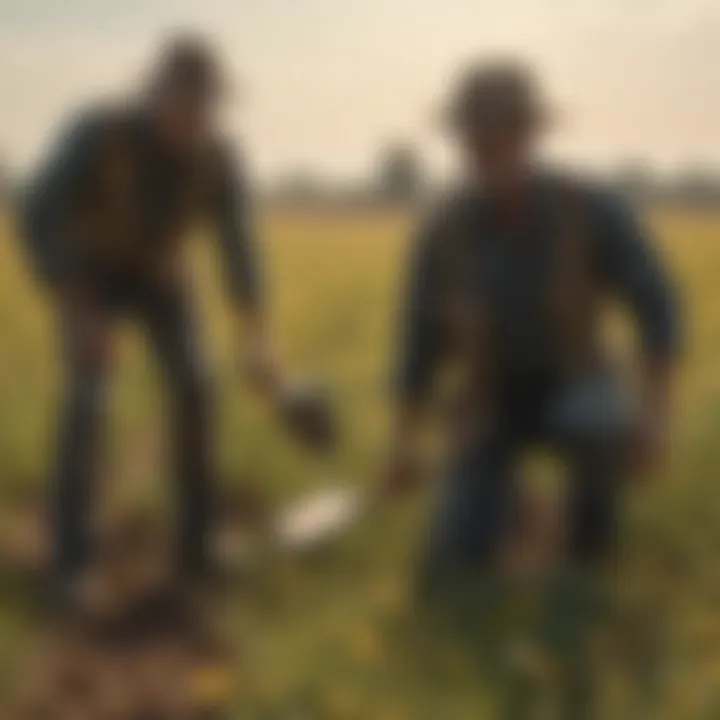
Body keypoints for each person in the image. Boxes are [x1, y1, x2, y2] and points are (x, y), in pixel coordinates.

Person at [22, 35, 322, 601]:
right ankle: (71, 561)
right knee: (89, 397)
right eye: (182, 105)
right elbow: (37, 213)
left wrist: (258, 343)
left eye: (205, 109)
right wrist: (75, 305)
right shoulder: (97, 131)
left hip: (163, 276)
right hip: (89, 275)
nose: (192, 121)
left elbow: (240, 249)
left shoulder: (218, 157)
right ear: (154, 94)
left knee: (198, 385)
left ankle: (197, 546)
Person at [378, 59, 682, 593]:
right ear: (461, 140)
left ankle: (586, 545)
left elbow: (658, 308)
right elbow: (417, 348)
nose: (488, 151)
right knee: (453, 563)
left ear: (532, 134)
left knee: (595, 427)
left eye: (503, 134)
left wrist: (654, 417)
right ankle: (519, 510)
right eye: (476, 138)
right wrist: (405, 447)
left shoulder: (591, 209)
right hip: (489, 406)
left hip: (578, 386)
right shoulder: (443, 230)